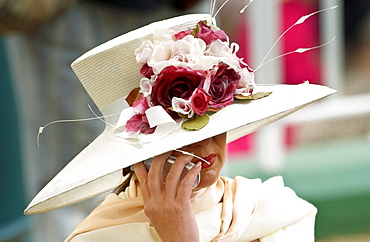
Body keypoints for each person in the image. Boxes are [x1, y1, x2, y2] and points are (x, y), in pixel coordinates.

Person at [24, 12, 335, 241]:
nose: (206, 147)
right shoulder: (101, 236)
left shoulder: (273, 210)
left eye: (214, 128)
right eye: (180, 136)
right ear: (135, 156)